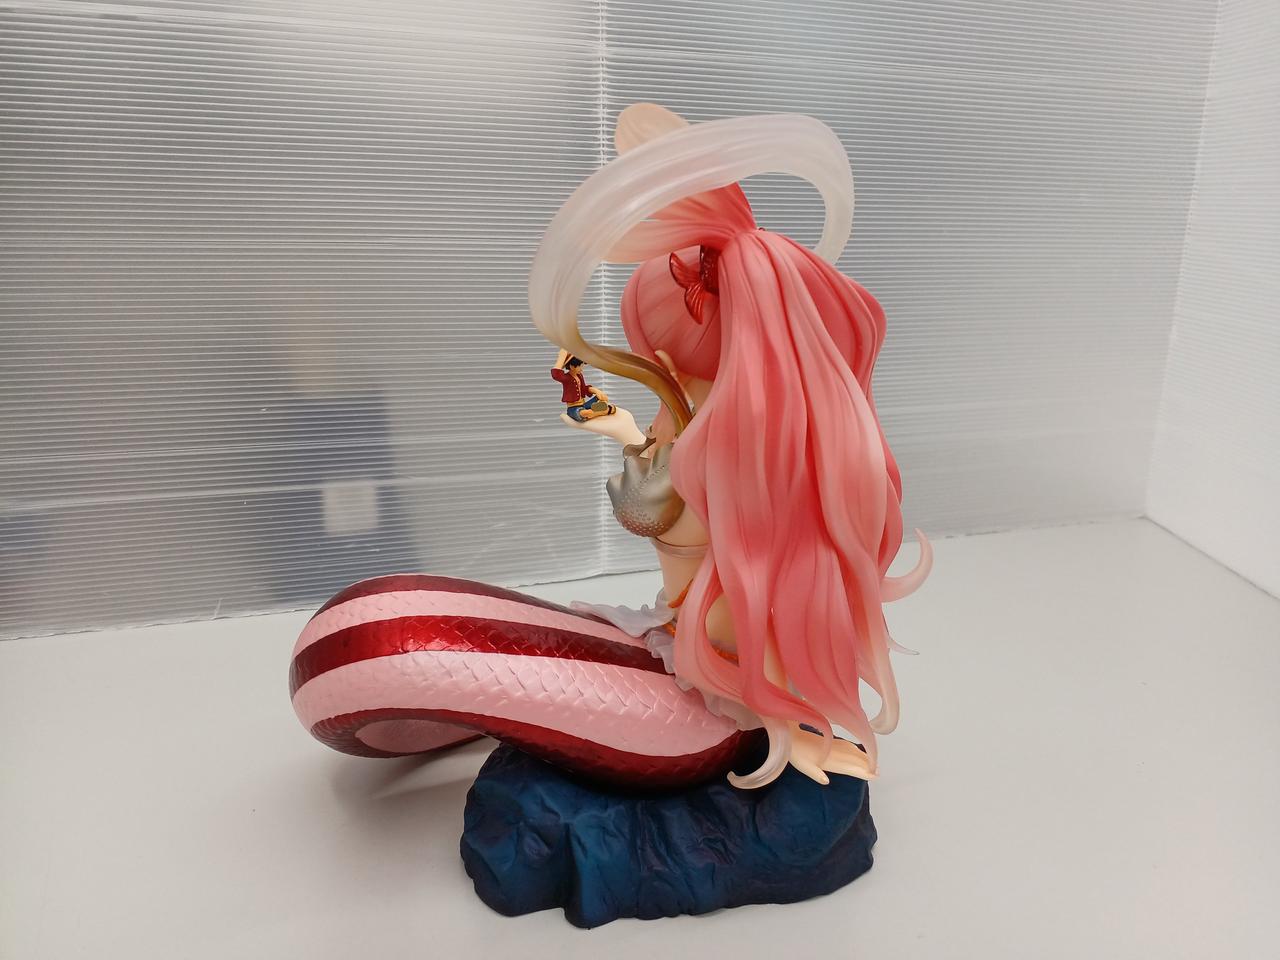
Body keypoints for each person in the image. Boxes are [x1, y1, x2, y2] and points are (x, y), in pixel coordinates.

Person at [550, 349, 615, 421]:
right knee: (583, 413)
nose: (582, 369)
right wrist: (562, 357)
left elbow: (584, 389)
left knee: (601, 398)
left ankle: (595, 410)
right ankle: (601, 411)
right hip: (573, 409)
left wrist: (596, 391)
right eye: (580, 367)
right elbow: (556, 375)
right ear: (572, 366)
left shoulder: (579, 376)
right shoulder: (567, 378)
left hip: (583, 405)